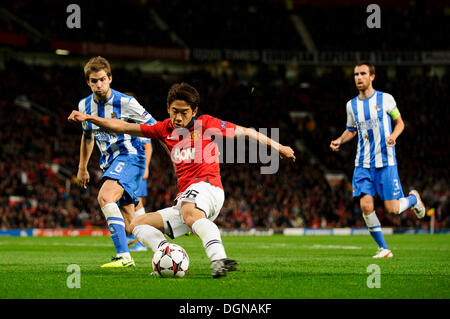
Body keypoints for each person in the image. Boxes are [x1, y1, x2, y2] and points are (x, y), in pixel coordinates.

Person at [69, 82, 296, 277]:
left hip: (208, 188)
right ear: (168, 108)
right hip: (187, 198)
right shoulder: (163, 129)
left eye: (184, 112)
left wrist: (280, 147)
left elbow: (246, 131)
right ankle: (166, 252)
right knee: (135, 224)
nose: (178, 117)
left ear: (194, 111)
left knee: (189, 212)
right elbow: (125, 126)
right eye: (174, 111)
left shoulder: (206, 124)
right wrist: (90, 117)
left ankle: (218, 259)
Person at [330, 62, 426, 258]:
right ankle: (384, 248)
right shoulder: (352, 105)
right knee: (366, 205)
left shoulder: (386, 99)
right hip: (363, 164)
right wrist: (340, 140)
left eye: (363, 73)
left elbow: (400, 123)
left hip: (386, 163)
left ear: (372, 76)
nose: (358, 77)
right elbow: (351, 130)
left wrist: (394, 136)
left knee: (392, 209)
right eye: (356, 74)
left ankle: (414, 199)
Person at [75, 56, 156, 267]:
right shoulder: (84, 105)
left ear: (110, 78)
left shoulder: (126, 102)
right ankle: (168, 249)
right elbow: (88, 137)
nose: (99, 85)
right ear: (88, 82)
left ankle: (123, 257)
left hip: (131, 157)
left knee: (105, 196)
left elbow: (155, 127)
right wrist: (82, 167)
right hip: (110, 164)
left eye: (102, 79)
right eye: (94, 81)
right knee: (132, 224)